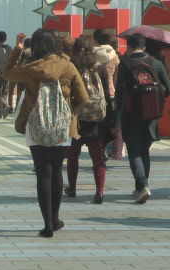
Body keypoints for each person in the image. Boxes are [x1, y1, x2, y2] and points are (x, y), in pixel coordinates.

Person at [3, 29, 88, 237]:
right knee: (57, 170)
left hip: (37, 126)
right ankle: (56, 218)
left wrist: (18, 49)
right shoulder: (68, 66)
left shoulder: (30, 68)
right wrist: (70, 110)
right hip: (62, 127)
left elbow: (6, 73)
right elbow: (84, 98)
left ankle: (47, 224)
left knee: (43, 172)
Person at [114, 33, 170, 204]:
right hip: (151, 114)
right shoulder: (156, 63)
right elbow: (167, 88)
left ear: (128, 47)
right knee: (144, 150)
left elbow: (119, 95)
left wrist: (116, 119)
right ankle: (140, 187)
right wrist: (156, 103)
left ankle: (142, 185)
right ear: (144, 47)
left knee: (134, 151)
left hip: (131, 115)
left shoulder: (125, 64)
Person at [65, 37, 115, 204]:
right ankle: (99, 192)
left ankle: (72, 188)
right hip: (96, 119)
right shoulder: (100, 68)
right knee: (97, 157)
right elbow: (107, 95)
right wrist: (109, 119)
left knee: (73, 155)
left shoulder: (71, 68)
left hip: (76, 118)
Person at [93, 29, 119, 99]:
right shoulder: (115, 56)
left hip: (95, 92)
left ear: (94, 40)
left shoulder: (91, 55)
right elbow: (116, 78)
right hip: (110, 91)